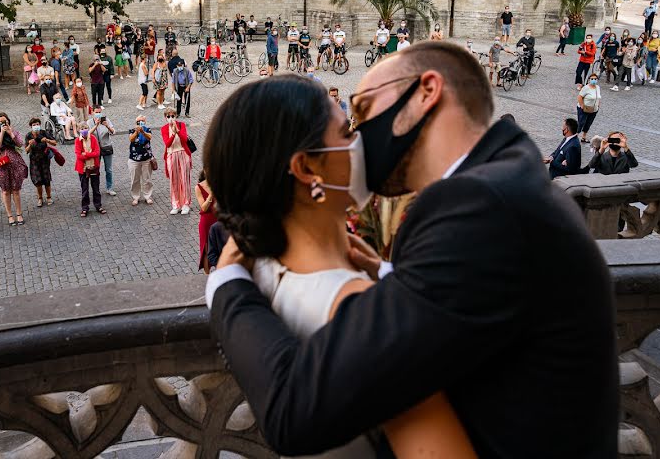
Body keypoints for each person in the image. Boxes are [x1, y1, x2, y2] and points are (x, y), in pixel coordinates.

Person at [204, 42, 618, 458]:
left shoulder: (479, 206)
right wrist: (392, 279)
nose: (359, 137)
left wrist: (225, 286)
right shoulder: (504, 181)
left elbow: (293, 409)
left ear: (426, 92)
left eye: (362, 111)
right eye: (348, 127)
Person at [202, 75, 475, 459]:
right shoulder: (371, 316)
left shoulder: (255, 268)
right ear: (307, 168)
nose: (359, 141)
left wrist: (384, 275)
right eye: (346, 131)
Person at [0, 113, 28, 226]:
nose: (3, 123)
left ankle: (19, 214)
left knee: (16, 189)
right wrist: (1, 132)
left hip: (14, 162)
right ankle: (10, 215)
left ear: (9, 121)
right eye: (1, 122)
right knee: (5, 190)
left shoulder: (14, 131)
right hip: (1, 162)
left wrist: (10, 132)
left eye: (5, 121)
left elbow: (19, 144)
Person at [161, 108, 193, 215]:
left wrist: (178, 131)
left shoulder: (182, 125)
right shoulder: (164, 128)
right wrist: (173, 134)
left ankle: (186, 204)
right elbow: (167, 143)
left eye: (172, 116)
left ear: (176, 116)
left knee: (184, 179)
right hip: (171, 154)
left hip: (183, 153)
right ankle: (176, 204)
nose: (171, 118)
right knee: (173, 180)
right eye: (168, 116)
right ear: (165, 118)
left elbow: (184, 139)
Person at [73, 124, 105, 216]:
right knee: (85, 189)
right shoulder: (77, 141)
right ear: (79, 130)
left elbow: (97, 153)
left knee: (96, 188)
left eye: (86, 128)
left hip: (94, 167)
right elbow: (78, 155)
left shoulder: (93, 138)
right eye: (82, 129)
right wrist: (90, 153)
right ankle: (85, 207)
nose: (84, 130)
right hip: (83, 168)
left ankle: (98, 205)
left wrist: (86, 154)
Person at [24, 117, 57, 208]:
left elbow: (55, 142)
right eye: (34, 125)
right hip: (34, 160)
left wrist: (47, 140)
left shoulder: (43, 133)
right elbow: (26, 150)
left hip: (44, 159)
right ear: (31, 126)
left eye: (37, 124)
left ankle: (49, 197)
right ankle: (40, 198)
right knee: (37, 180)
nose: (36, 126)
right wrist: (30, 145)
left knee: (46, 178)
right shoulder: (28, 136)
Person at [87, 107, 117, 196]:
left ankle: (109, 188)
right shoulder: (89, 122)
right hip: (95, 149)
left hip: (106, 147)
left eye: (100, 112)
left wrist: (107, 125)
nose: (98, 114)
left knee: (109, 169)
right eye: (96, 112)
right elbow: (88, 134)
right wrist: (96, 125)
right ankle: (96, 189)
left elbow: (113, 132)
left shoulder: (106, 120)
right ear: (92, 112)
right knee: (96, 169)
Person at [128, 115, 154, 205]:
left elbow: (149, 137)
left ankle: (147, 196)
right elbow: (131, 139)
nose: (140, 123)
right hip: (134, 159)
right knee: (135, 179)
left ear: (145, 122)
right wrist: (136, 132)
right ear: (136, 123)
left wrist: (143, 132)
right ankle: (135, 197)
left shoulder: (147, 129)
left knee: (147, 179)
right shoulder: (132, 130)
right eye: (138, 121)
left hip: (146, 158)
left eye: (142, 121)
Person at [196, 169, 217, 274]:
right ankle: (206, 275)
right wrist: (211, 194)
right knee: (206, 250)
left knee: (219, 247)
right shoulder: (198, 187)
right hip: (206, 222)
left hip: (218, 220)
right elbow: (203, 208)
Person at [577, 75, 601, 142]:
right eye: (592, 79)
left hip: (594, 109)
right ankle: (575, 136)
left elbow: (598, 97)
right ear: (589, 80)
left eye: (595, 79)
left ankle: (584, 137)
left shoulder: (598, 87)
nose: (594, 80)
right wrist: (582, 106)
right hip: (585, 108)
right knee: (581, 122)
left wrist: (598, 105)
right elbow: (579, 97)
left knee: (588, 123)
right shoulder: (586, 88)